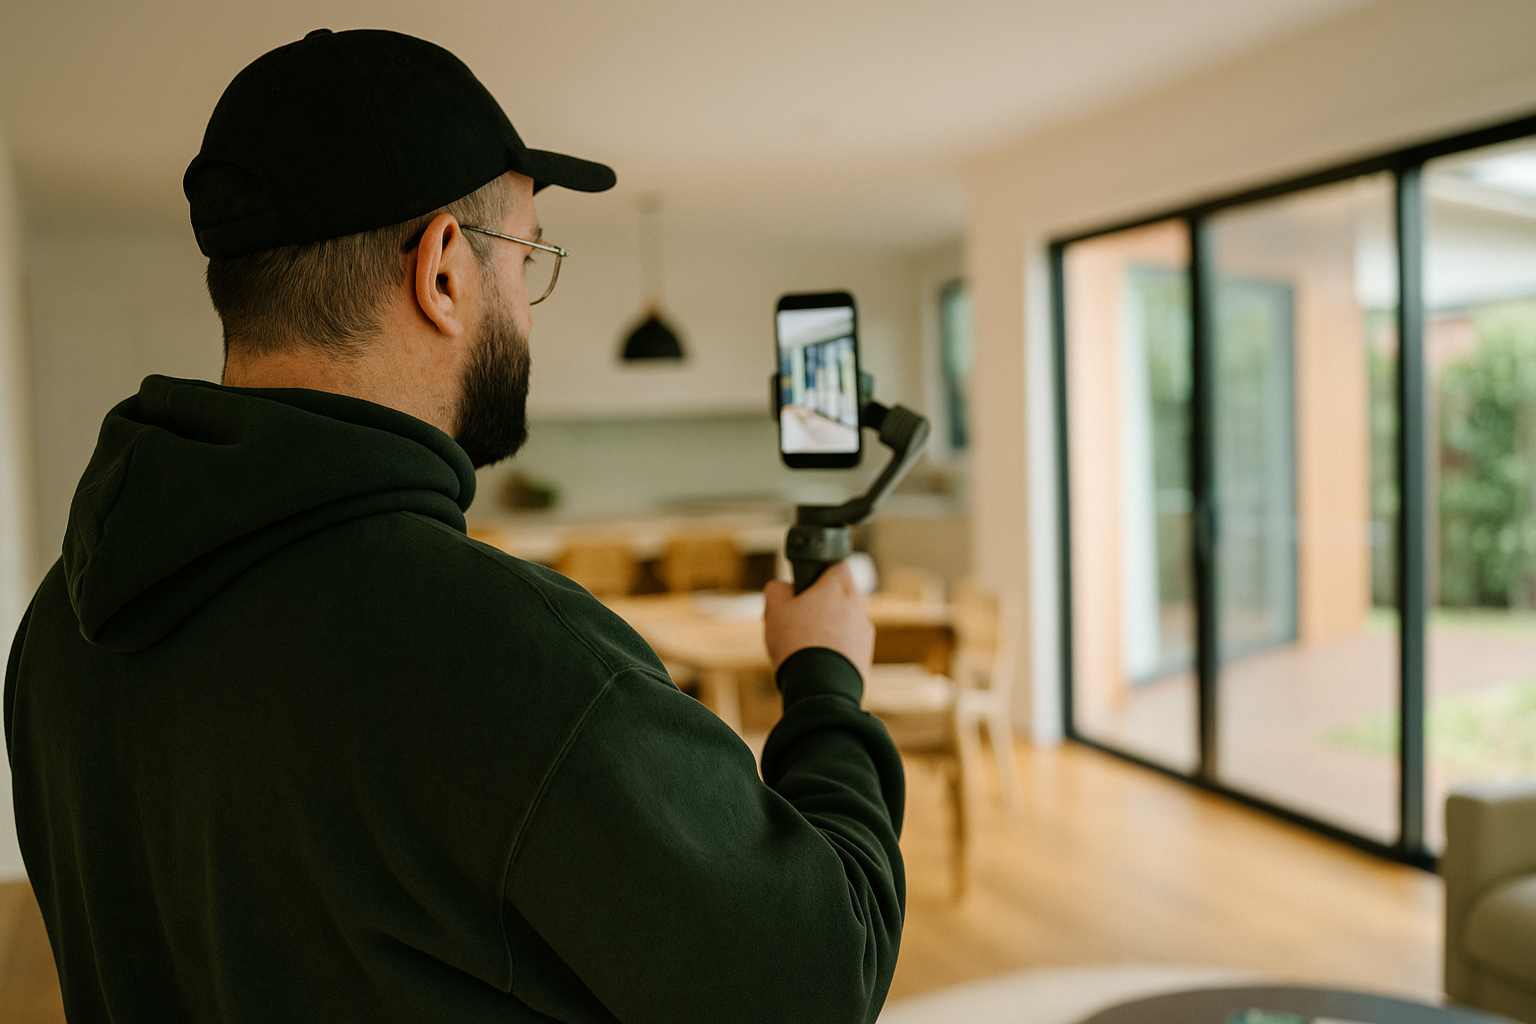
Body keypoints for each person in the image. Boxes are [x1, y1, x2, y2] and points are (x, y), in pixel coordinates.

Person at [4, 28, 904, 1024]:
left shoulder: (60, 629)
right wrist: (826, 681)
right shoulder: (510, 653)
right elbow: (824, 976)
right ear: (442, 271)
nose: (531, 306)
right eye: (528, 256)